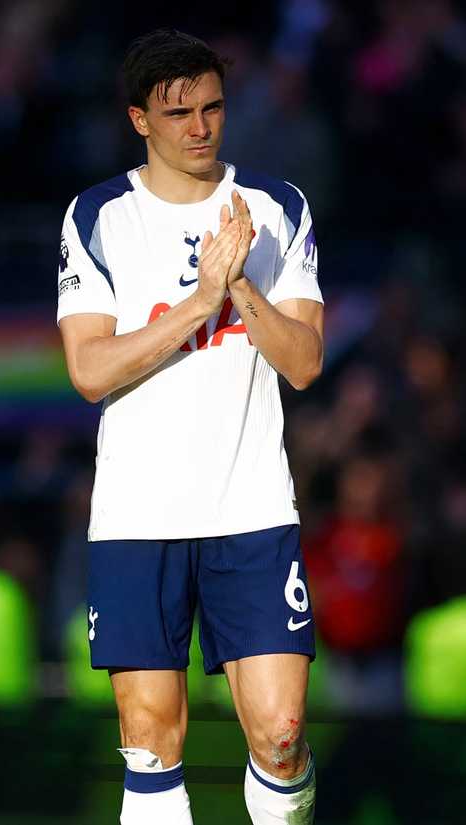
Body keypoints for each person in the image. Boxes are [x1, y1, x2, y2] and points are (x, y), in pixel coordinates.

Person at [56, 28, 325, 825]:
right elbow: (90, 370)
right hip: (139, 514)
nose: (201, 127)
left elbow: (304, 361)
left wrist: (239, 289)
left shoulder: (275, 208)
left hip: (251, 506)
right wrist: (199, 301)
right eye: (179, 113)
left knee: (280, 734)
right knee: (150, 740)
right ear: (140, 119)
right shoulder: (99, 215)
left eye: (212, 108)